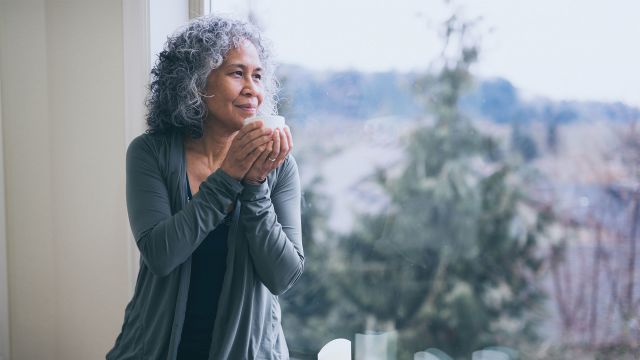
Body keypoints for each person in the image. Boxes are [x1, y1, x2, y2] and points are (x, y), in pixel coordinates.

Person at [107, 15, 304, 360]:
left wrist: (255, 184)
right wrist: (228, 178)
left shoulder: (279, 165)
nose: (252, 88)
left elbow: (283, 275)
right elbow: (161, 254)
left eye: (257, 76)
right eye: (236, 73)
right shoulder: (150, 153)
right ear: (196, 82)